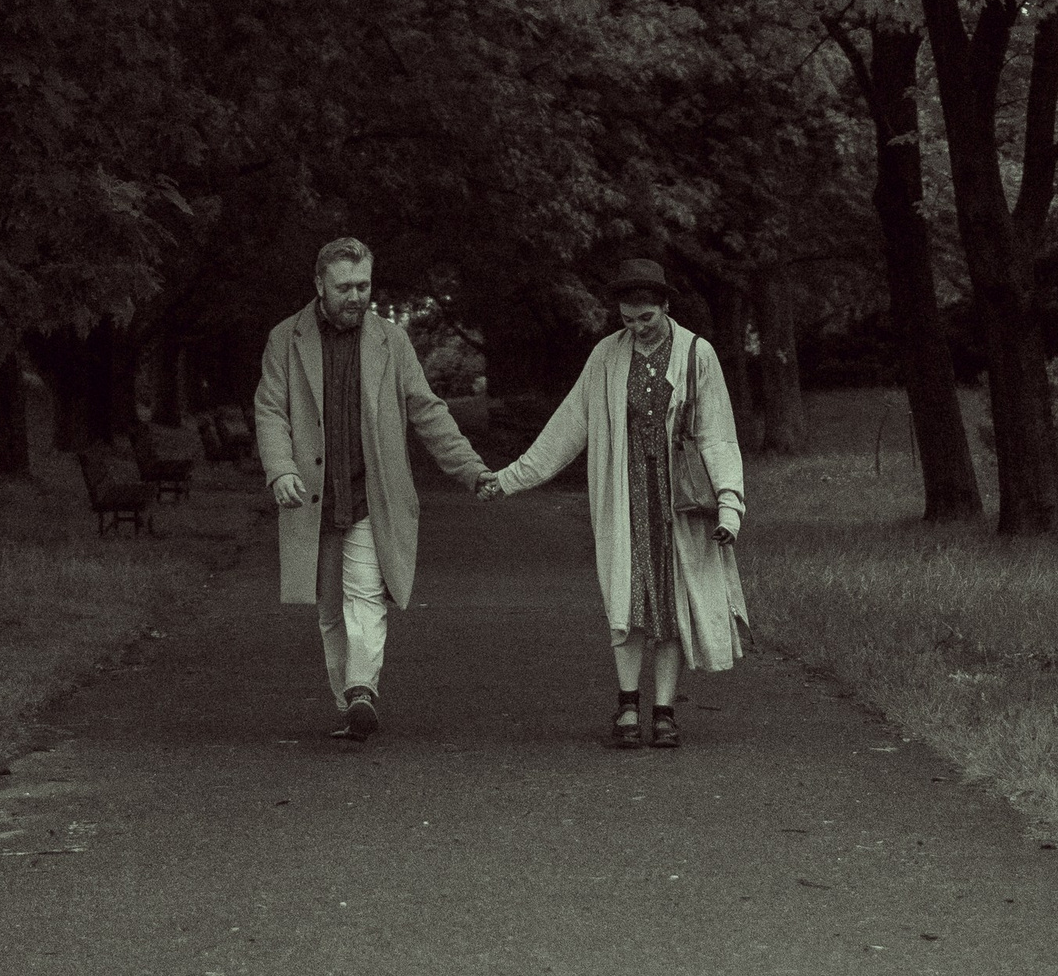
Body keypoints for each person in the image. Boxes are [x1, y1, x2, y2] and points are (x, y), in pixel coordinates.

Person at [479, 255, 747, 748]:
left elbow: (718, 435)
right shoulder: (606, 355)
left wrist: (729, 505)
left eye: (646, 318)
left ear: (665, 306)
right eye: (627, 319)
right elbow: (568, 426)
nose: (637, 328)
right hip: (625, 499)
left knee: (672, 602)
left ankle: (664, 712)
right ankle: (627, 706)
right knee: (627, 599)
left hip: (679, 504)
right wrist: (509, 479)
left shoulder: (697, 354)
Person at [252, 234, 494, 742]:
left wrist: (471, 470)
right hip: (314, 497)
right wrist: (281, 468)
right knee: (329, 610)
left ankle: (362, 691)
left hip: (371, 495)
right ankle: (349, 702)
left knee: (365, 594)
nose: (356, 296)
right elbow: (271, 409)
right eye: (344, 287)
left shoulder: (391, 341)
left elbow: (427, 411)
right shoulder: (285, 339)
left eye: (363, 285)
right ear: (319, 284)